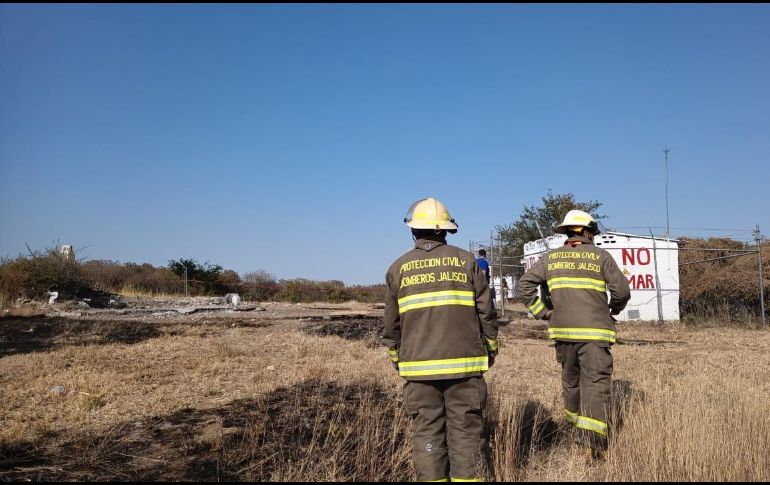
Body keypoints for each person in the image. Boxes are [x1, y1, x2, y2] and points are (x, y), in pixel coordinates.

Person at [383, 197, 499, 482]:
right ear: (445, 230)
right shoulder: (467, 261)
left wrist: (399, 359)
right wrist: (491, 347)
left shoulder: (398, 268)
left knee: (427, 435)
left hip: (418, 370)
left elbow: (391, 325)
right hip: (465, 366)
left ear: (413, 231)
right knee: (466, 433)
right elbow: (486, 310)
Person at [518, 209, 630, 462]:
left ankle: (573, 429)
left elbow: (523, 286)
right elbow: (622, 291)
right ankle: (592, 446)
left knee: (571, 383)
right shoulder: (601, 256)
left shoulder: (551, 258)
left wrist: (544, 313)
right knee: (595, 385)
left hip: (563, 333)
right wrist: (613, 309)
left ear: (568, 232)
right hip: (594, 333)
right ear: (588, 232)